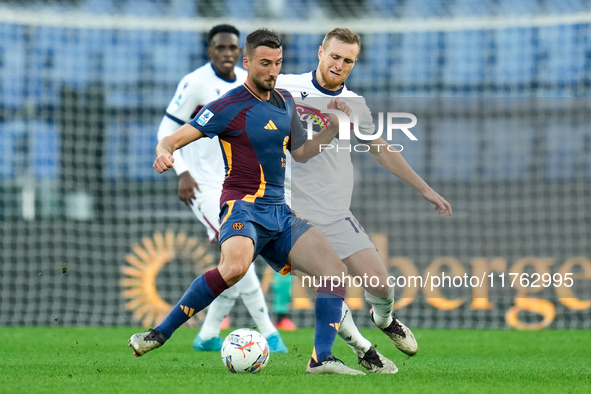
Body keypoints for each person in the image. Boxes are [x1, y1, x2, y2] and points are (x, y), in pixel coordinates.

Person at [130, 28, 365, 375]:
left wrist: (332, 129)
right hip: (242, 208)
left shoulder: (285, 102)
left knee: (335, 273)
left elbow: (301, 153)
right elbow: (173, 138)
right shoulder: (227, 106)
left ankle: (321, 359)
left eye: (278, 63)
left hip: (280, 213)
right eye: (265, 63)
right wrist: (164, 154)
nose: (272, 71)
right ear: (248, 62)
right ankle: (158, 334)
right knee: (235, 268)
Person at [277, 27, 452, 368]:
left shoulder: (354, 105)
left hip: (335, 212)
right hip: (290, 214)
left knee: (382, 286)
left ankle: (384, 320)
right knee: (329, 292)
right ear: (320, 52)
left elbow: (381, 149)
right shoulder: (285, 87)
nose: (340, 65)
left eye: (348, 61)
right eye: (335, 56)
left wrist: (425, 189)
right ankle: (363, 351)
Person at [157, 24, 288, 353]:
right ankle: (270, 333)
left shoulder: (257, 90)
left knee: (233, 264)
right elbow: (167, 129)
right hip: (203, 187)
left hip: (236, 183)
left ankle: (207, 335)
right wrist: (182, 173)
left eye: (232, 48)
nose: (227, 53)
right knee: (239, 262)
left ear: (240, 55)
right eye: (220, 48)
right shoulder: (196, 83)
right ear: (210, 50)